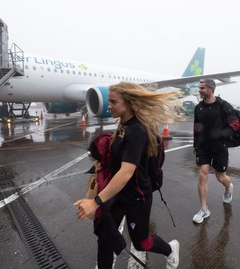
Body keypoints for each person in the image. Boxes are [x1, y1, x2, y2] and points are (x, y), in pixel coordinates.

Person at [74, 82, 181, 269]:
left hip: (136, 197)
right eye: (109, 101)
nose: (109, 106)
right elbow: (118, 158)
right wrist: (101, 162)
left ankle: (171, 250)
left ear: (129, 103)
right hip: (117, 194)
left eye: (113, 102)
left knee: (142, 243)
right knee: (105, 237)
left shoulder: (137, 130)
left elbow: (126, 172)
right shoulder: (122, 126)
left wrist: (96, 202)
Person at [192, 78, 236, 224]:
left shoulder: (224, 106)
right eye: (200, 87)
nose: (199, 90)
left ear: (210, 89)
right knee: (202, 174)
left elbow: (234, 125)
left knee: (220, 177)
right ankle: (204, 209)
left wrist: (221, 135)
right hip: (203, 147)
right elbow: (196, 127)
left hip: (219, 147)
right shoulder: (198, 107)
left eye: (202, 88)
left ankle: (229, 187)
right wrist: (195, 144)